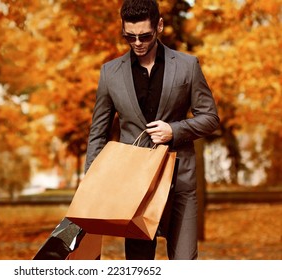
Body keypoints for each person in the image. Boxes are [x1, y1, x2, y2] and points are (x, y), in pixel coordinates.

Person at [84, 0, 220, 260]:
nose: (137, 43)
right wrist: (91, 185)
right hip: (133, 186)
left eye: (144, 36)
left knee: (184, 265)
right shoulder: (110, 73)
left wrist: (175, 130)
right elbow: (98, 133)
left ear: (159, 26)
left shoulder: (187, 66)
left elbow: (210, 118)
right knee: (139, 268)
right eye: (129, 37)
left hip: (179, 182)